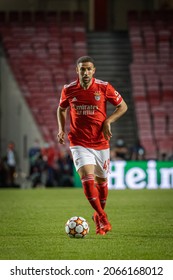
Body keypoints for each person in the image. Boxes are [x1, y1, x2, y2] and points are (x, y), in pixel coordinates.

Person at [57, 56, 128, 235]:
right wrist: (61, 129)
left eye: (89, 69)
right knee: (88, 180)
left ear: (94, 70)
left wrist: (108, 121)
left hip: (101, 142)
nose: (86, 72)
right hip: (79, 142)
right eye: (82, 69)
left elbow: (123, 106)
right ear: (77, 71)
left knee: (102, 183)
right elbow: (61, 108)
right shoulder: (69, 89)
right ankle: (103, 216)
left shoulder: (104, 87)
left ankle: (97, 216)